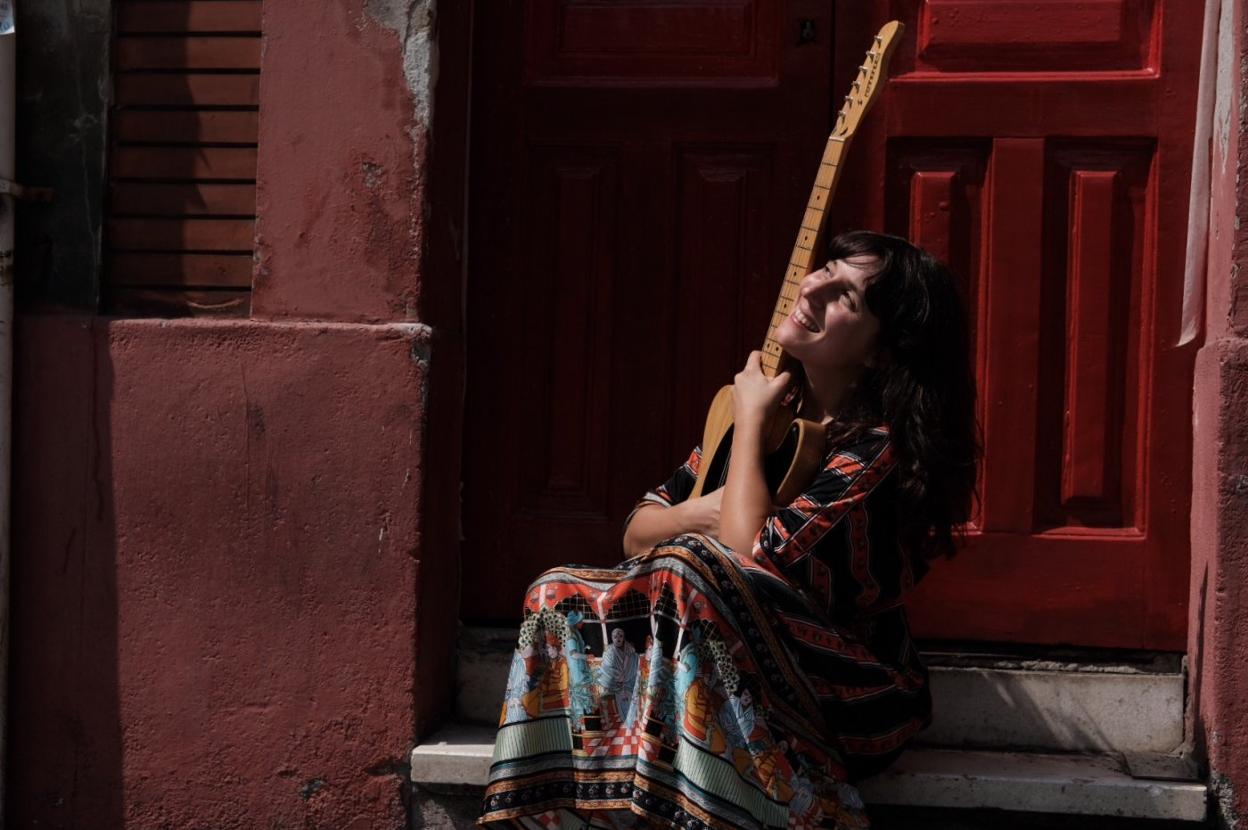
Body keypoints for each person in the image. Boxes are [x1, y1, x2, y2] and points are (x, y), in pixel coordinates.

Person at [478, 230, 982, 830]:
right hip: (739, 657)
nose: (814, 285)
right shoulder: (773, 411)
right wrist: (709, 506)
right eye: (824, 268)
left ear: (879, 352)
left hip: (849, 693)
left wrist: (748, 424)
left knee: (689, 568)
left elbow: (745, 555)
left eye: (845, 294)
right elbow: (639, 528)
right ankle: (566, 813)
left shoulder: (873, 450)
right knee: (554, 592)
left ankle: (749, 810)